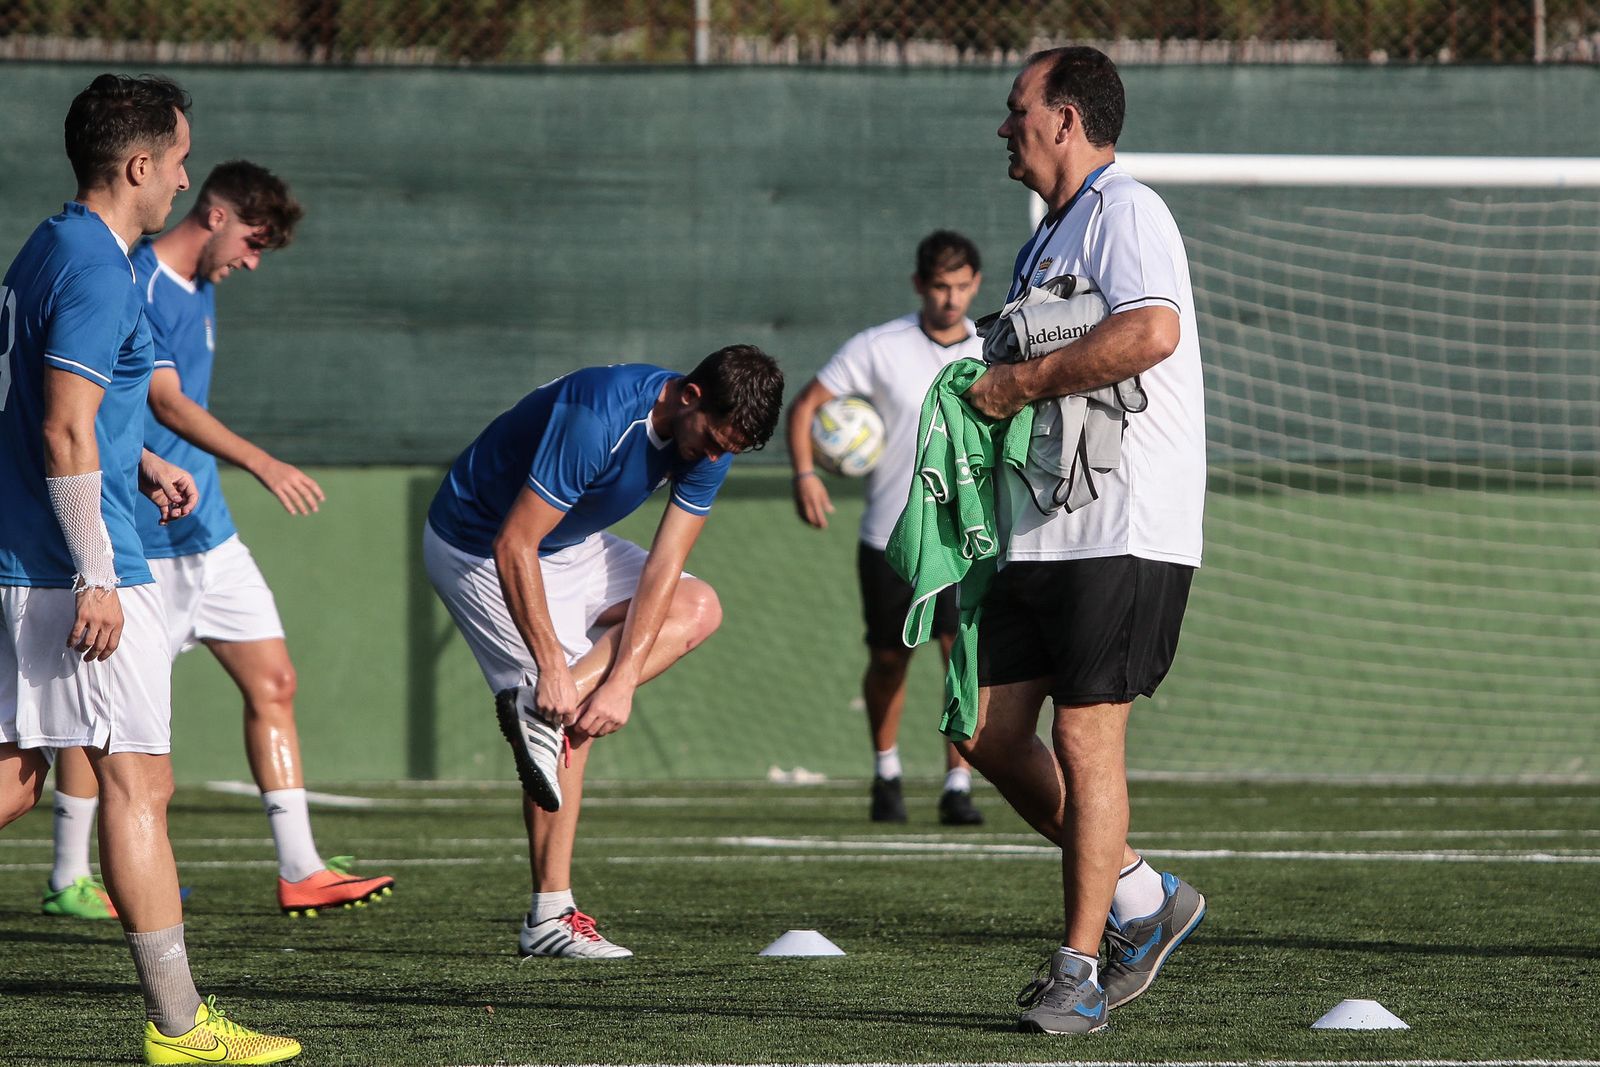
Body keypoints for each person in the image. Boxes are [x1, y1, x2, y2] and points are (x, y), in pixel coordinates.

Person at [0, 74, 300, 1063]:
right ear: (137, 166)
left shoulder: (55, 246)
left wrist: (143, 457)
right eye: (175, 161)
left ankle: (181, 1024)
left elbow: (74, 406)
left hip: (29, 553)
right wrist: (95, 570)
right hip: (75, 564)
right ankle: (181, 1028)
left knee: (14, 778)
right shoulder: (95, 263)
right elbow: (60, 420)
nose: (181, 178)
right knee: (141, 783)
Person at [40, 160, 395, 922]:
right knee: (99, 713)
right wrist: (264, 461)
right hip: (144, 541)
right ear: (217, 215)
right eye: (253, 242)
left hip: (212, 533)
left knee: (276, 680)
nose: (253, 261)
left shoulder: (201, 289)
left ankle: (300, 866)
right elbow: (163, 403)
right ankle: (71, 875)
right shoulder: (135, 279)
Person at [957, 47, 1208, 1035]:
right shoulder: (1044, 241)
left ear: (1065, 119)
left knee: (1082, 731)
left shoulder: (1125, 210)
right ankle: (1141, 897)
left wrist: (1017, 382)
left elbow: (1151, 331)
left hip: (1128, 521)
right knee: (979, 729)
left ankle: (1078, 969)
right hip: (1045, 525)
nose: (1003, 124)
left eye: (1016, 107)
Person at [424, 347, 783, 958]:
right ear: (689, 398)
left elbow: (666, 568)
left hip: (572, 546)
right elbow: (516, 543)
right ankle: (549, 919)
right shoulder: (600, 416)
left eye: (732, 450)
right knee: (568, 721)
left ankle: (545, 704)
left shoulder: (712, 438)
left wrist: (615, 683)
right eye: (715, 442)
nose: (717, 458)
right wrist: (553, 670)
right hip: (478, 546)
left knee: (699, 607)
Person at [786, 231, 987, 826]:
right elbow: (805, 407)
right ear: (919, 285)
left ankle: (958, 784)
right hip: (890, 536)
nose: (951, 299)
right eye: (940, 286)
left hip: (960, 535)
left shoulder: (990, 346)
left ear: (975, 283)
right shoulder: (878, 347)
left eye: (961, 286)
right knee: (890, 660)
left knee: (961, 658)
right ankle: (887, 772)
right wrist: (805, 474)